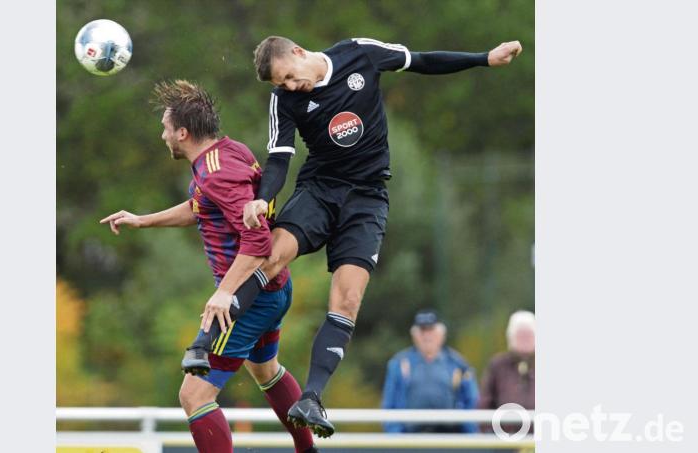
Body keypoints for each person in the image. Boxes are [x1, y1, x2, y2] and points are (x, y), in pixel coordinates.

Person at [182, 34, 521, 437]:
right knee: (271, 256)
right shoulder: (284, 101)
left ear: (299, 53)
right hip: (320, 190)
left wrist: (485, 58)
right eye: (281, 84)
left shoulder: (359, 54)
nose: (290, 87)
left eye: (289, 77)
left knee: (348, 298)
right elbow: (278, 159)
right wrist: (262, 199)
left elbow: (422, 60)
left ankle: (311, 398)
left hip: (367, 198)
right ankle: (203, 342)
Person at [100, 80, 316, 453]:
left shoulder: (216, 173)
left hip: (251, 299)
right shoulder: (225, 154)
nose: (162, 135)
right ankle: (307, 450)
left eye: (166, 128)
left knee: (194, 395)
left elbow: (258, 240)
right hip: (273, 288)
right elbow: (201, 207)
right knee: (265, 370)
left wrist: (225, 292)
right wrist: (142, 220)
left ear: (182, 133)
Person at [381, 310, 479, 433]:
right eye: (422, 331)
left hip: (450, 438)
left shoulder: (459, 365)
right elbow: (389, 405)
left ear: (441, 334)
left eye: (431, 330)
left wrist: (468, 441)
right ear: (414, 335)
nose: (427, 336)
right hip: (410, 438)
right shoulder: (398, 364)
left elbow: (471, 402)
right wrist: (397, 440)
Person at [479, 310, 535, 434]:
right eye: (520, 335)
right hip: (503, 439)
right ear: (510, 337)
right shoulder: (497, 365)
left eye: (529, 335)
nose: (524, 339)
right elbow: (485, 403)